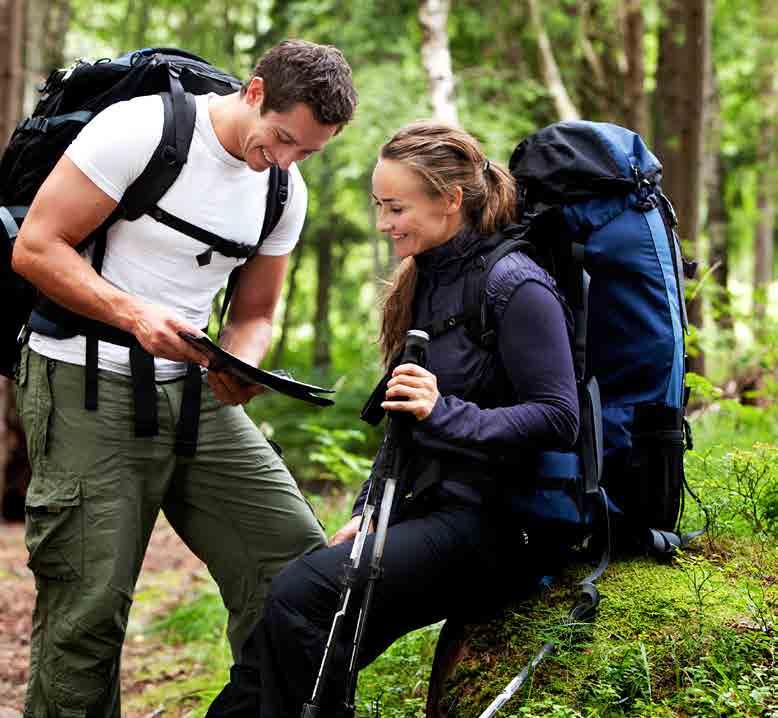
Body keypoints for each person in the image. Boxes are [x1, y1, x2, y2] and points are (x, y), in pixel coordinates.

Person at [11, 40, 357, 716]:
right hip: (83, 379)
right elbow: (36, 248)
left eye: (308, 152)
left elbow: (256, 312)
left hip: (195, 393)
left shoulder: (283, 188)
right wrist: (133, 312)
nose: (285, 159)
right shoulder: (141, 130)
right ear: (254, 93)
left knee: (296, 568)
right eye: (283, 139)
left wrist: (241, 360)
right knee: (88, 610)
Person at [241, 121, 580, 717]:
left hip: (501, 527)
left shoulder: (516, 284)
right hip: (431, 512)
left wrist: (444, 411)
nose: (382, 223)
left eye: (396, 207)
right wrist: (368, 513)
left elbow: (558, 418)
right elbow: (402, 427)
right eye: (378, 205)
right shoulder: (426, 278)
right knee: (279, 649)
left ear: (450, 200)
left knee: (302, 595)